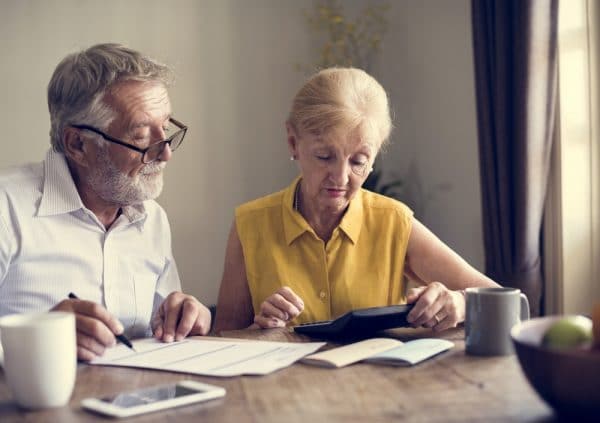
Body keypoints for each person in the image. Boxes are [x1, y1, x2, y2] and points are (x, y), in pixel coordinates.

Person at [214, 67, 500, 333]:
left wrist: (461, 304)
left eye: (358, 161)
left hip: (377, 385)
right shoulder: (250, 225)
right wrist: (258, 331)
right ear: (293, 142)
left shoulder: (393, 222)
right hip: (282, 386)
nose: (340, 177)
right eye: (325, 157)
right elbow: (221, 342)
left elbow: (506, 302)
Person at [0, 43, 211, 361]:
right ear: (78, 144)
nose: (164, 152)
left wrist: (186, 318)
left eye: (165, 128)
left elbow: (162, 331)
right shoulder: (7, 208)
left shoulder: (151, 217)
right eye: (140, 136)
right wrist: (39, 339)